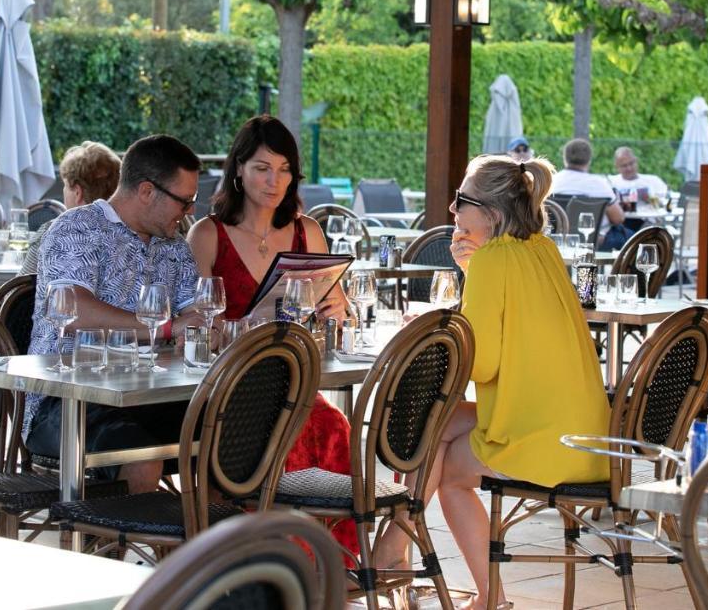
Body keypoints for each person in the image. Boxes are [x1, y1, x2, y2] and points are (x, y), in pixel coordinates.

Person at [372, 154, 610, 609]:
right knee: (433, 427)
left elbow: (480, 366)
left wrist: (469, 277)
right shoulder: (542, 248)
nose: (452, 211)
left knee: (449, 476)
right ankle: (395, 549)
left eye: (462, 201)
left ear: (493, 215)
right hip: (582, 432)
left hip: (542, 441)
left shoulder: (491, 262)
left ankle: (481, 593)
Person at [186, 114, 357, 551]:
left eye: (284, 169)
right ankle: (275, 563)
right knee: (286, 435)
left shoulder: (308, 231)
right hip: (228, 389)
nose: (273, 180)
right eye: (262, 167)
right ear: (239, 169)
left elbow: (332, 324)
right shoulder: (208, 235)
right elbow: (193, 328)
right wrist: (234, 326)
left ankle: (327, 564)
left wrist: (339, 309)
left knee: (335, 426)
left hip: (294, 382)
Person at [22, 134, 204, 492]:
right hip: (66, 403)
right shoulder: (77, 228)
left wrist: (198, 327)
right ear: (147, 191)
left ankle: (198, 545)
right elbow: (72, 309)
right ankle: (104, 546)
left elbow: (195, 313)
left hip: (147, 395)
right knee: (140, 454)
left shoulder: (174, 246)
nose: (191, 212)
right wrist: (165, 328)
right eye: (185, 201)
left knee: (228, 436)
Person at [19, 141, 122, 274]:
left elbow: (17, 290)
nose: (64, 190)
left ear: (78, 192)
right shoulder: (130, 233)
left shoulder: (53, 231)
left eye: (66, 185)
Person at [550, 137, 628, 250]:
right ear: (589, 160)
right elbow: (618, 219)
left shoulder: (550, 182)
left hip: (556, 242)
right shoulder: (599, 184)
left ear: (564, 158)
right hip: (594, 243)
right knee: (627, 235)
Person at [607, 146, 669, 223]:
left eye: (631, 163)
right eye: (624, 166)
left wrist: (650, 200)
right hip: (622, 222)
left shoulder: (653, 180)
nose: (629, 168)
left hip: (647, 222)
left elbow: (665, 204)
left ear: (636, 161)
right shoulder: (611, 182)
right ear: (617, 166)